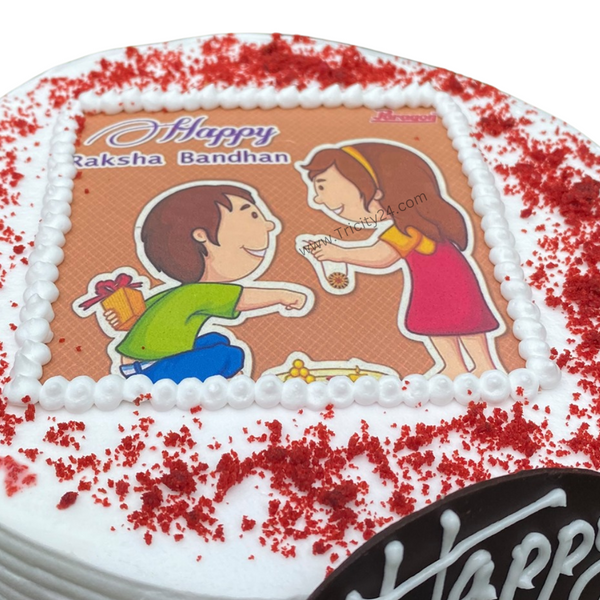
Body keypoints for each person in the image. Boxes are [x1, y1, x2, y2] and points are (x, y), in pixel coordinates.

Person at [299, 142, 503, 378]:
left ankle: (484, 365)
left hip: (450, 284)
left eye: (322, 186)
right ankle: (455, 365)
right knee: (438, 324)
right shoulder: (409, 226)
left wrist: (339, 253)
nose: (317, 200)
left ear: (376, 189)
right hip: (431, 287)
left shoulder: (408, 228)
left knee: (467, 322)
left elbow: (381, 257)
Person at [102, 183, 309, 383]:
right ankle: (231, 387)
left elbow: (140, 318)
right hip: (153, 371)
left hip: (139, 364)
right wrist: (284, 296)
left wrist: (120, 319)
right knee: (229, 354)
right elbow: (242, 298)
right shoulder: (199, 292)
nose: (270, 225)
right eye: (252, 216)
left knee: (217, 339)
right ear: (201, 235)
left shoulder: (175, 294)